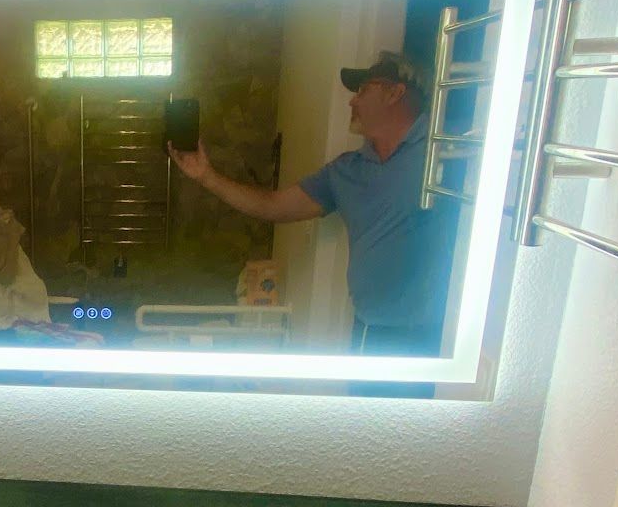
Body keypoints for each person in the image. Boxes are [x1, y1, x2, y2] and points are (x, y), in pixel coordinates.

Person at [169, 55, 452, 361]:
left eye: (362, 90)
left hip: (438, 335)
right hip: (371, 331)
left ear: (394, 93)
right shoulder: (347, 171)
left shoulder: (446, 153)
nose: (351, 102)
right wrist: (206, 177)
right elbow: (274, 206)